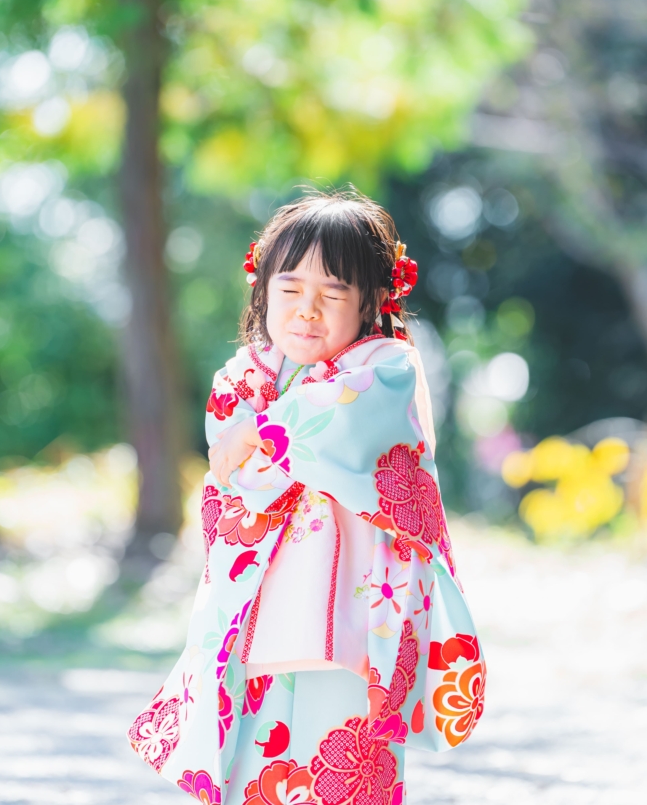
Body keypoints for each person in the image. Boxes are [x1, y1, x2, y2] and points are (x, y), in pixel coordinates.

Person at [128, 190, 486, 805]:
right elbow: (235, 472)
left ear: (374, 300)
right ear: (262, 289)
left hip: (355, 619)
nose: (306, 310)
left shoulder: (387, 367)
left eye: (333, 294)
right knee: (257, 771)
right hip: (260, 614)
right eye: (289, 289)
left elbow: (335, 423)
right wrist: (260, 443)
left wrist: (262, 433)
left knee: (343, 766)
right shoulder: (243, 375)